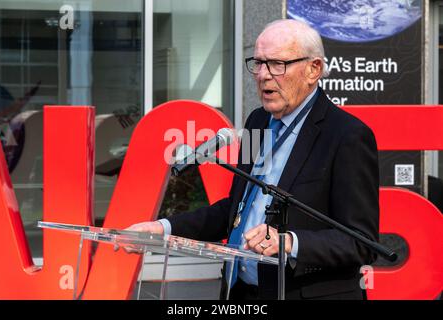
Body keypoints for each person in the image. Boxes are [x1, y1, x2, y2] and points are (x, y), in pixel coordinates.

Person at [124, 19, 379, 300]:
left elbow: (361, 242)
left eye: (277, 64)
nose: (263, 75)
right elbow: (235, 210)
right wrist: (163, 228)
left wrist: (289, 243)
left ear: (313, 69)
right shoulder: (258, 122)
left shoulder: (347, 135)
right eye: (258, 63)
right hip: (243, 292)